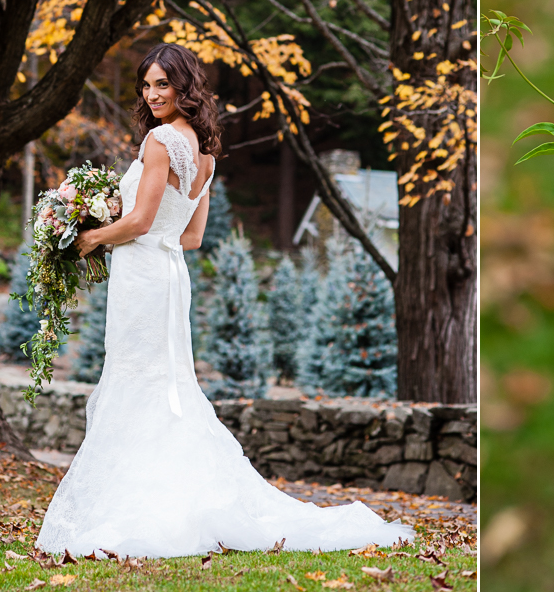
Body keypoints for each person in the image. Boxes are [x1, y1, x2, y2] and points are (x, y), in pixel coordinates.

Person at [36, 42, 412, 556]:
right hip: (169, 273)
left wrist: (91, 238)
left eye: (163, 84)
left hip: (145, 275)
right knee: (164, 382)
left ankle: (138, 509)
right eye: (146, 85)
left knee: (139, 378)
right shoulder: (206, 156)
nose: (152, 94)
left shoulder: (160, 143)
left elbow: (142, 221)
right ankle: (177, 496)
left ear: (184, 87)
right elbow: (190, 238)